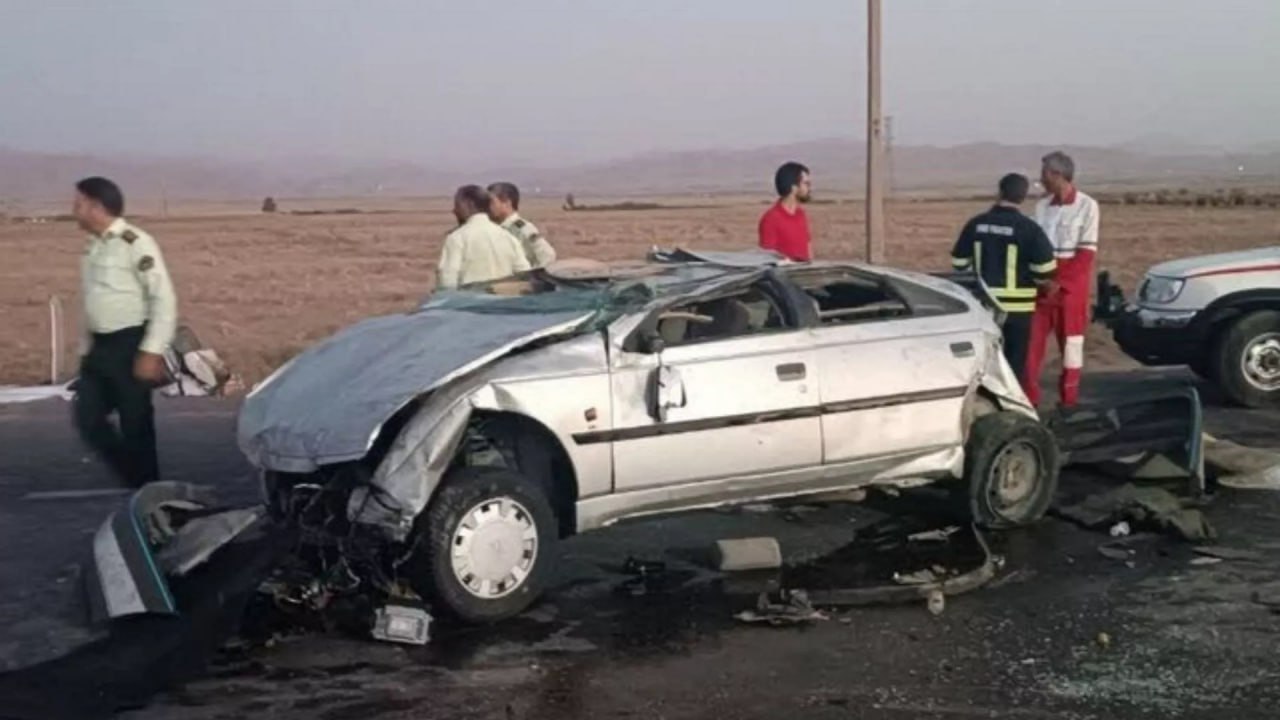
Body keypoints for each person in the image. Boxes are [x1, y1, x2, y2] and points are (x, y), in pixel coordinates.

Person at [72, 176, 178, 487]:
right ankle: (135, 479)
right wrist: (86, 349)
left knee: (136, 425)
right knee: (88, 418)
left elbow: (163, 298)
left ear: (96, 206)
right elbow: (95, 300)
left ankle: (149, 491)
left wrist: (152, 350)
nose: (74, 210)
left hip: (130, 344)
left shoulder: (135, 243)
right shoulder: (94, 246)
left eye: (79, 204)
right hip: (100, 347)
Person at [950, 173, 1057, 392]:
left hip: (983, 307)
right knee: (1013, 368)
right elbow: (1045, 270)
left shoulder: (976, 224)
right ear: (1023, 197)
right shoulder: (1029, 229)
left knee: (982, 365)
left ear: (999, 192)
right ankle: (1009, 405)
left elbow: (959, 263)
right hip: (1018, 311)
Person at [1026, 151, 1100, 409]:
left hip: (1070, 293)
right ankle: (1029, 401)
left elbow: (1086, 254)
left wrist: (1060, 282)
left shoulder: (1087, 206)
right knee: (1030, 347)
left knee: (1071, 348)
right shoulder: (1041, 207)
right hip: (1040, 290)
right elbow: (1033, 246)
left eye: (1044, 173)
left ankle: (1069, 403)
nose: (1041, 179)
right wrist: (1041, 280)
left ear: (1057, 175)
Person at [437, 185, 531, 290]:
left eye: (457, 206)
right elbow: (524, 276)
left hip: (470, 299)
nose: (454, 211)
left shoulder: (457, 238)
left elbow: (448, 281)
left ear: (467, 205)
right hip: (504, 299)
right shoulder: (509, 237)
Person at [487, 181, 556, 268]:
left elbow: (547, 256)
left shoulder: (522, 228)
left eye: (492, 203)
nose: (488, 207)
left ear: (507, 203)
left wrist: (532, 275)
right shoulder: (492, 227)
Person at [758, 161, 812, 261]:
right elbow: (767, 259)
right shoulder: (771, 219)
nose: (809, 188)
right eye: (806, 184)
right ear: (794, 187)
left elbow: (808, 250)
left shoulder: (801, 214)